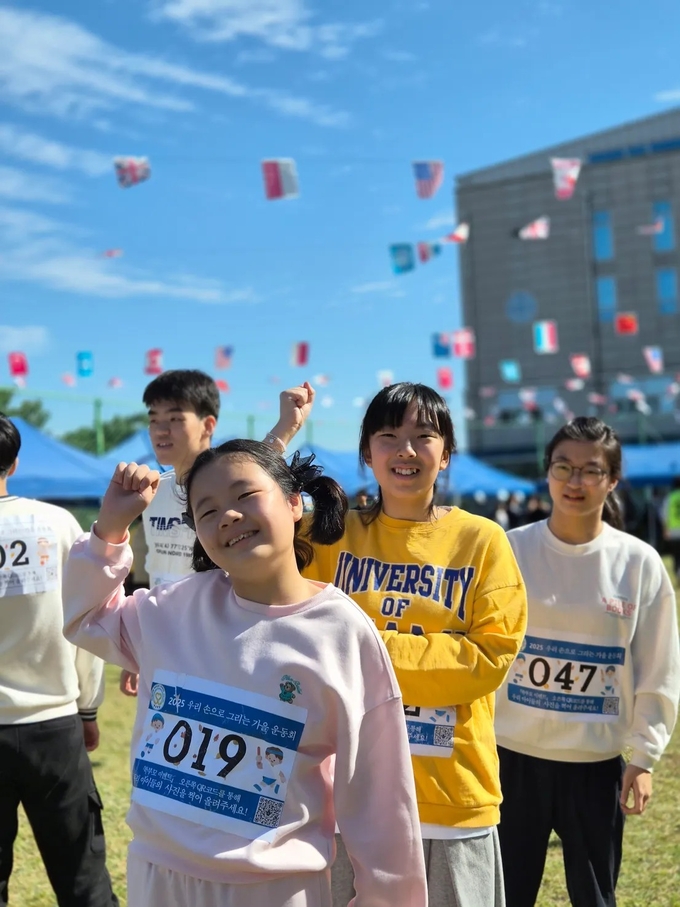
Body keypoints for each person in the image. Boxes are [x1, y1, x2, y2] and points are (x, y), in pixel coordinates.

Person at [62, 442, 427, 907]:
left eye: (244, 495)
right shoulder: (171, 608)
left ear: (294, 502)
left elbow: (380, 798)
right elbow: (84, 618)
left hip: (274, 889)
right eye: (207, 511)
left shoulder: (343, 633)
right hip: (158, 876)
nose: (228, 517)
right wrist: (111, 527)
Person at [278, 381, 527, 907]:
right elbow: (244, 515)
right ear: (367, 453)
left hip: (452, 795)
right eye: (388, 435)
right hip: (348, 795)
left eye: (424, 436)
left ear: (447, 454)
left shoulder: (482, 541)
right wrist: (283, 434)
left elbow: (487, 660)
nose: (406, 450)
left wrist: (358, 646)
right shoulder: (332, 536)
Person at [495, 417, 680, 907]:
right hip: (511, 758)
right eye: (563, 467)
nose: (575, 481)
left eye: (591, 470)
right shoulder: (510, 551)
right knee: (503, 896)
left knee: (596, 898)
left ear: (613, 479)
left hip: (594, 765)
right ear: (548, 472)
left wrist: (644, 757)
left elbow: (659, 665)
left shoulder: (639, 563)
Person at [121, 369, 306, 696]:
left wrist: (284, 428)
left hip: (220, 643)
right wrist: (133, 648)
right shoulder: (152, 493)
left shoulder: (228, 493)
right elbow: (156, 570)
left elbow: (253, 474)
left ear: (208, 425)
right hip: (163, 640)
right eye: (153, 420)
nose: (161, 430)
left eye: (175, 418)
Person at [0, 413, 119, 907]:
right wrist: (88, 708)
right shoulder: (56, 522)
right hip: (54, 723)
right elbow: (84, 625)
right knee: (82, 879)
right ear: (15, 461)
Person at [661, 476, 680, 579]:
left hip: (673, 532)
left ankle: (678, 572)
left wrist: (665, 529)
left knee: (676, 555)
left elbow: (664, 514)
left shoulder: (669, 498)